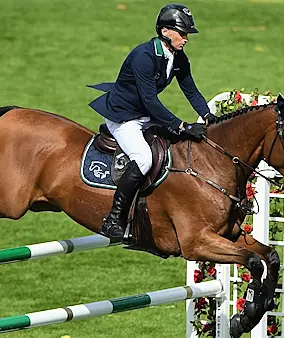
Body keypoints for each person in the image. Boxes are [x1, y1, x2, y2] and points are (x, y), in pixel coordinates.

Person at [88, 3, 216, 240]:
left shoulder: (178, 57)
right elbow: (150, 102)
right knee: (143, 158)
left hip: (143, 115)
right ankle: (113, 218)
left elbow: (191, 90)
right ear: (165, 31)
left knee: (175, 146)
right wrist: (182, 125)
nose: (186, 38)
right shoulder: (143, 56)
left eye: (187, 34)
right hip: (123, 115)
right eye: (182, 33)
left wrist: (208, 115)